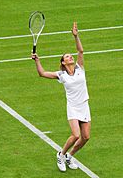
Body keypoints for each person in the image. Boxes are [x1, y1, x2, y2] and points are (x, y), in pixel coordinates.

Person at [31, 22, 91, 172]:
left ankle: (70, 156)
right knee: (76, 134)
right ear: (63, 63)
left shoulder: (80, 69)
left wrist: (76, 36)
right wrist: (37, 60)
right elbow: (42, 74)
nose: (71, 57)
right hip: (73, 107)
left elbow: (81, 51)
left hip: (84, 105)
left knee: (86, 137)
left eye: (71, 56)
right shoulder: (61, 75)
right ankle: (61, 154)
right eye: (67, 57)